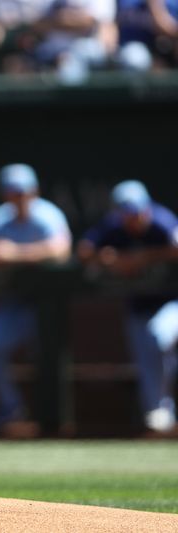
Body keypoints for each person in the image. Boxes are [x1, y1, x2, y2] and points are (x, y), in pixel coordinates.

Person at [0, 164, 72, 434]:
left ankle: (52, 419)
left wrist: (14, 253)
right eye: (13, 192)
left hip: (49, 306)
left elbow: (60, 251)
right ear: (6, 194)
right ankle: (11, 408)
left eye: (23, 192)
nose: (19, 197)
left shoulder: (47, 215)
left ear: (33, 192)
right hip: (15, 304)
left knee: (48, 358)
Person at [77, 180, 178, 433]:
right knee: (146, 359)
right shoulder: (113, 226)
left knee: (159, 337)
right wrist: (109, 258)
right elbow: (84, 250)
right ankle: (158, 416)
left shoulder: (162, 222)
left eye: (137, 212)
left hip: (171, 301)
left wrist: (143, 257)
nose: (134, 218)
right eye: (128, 213)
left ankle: (165, 409)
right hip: (138, 305)